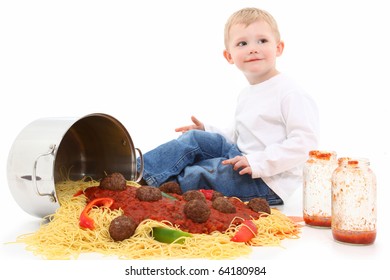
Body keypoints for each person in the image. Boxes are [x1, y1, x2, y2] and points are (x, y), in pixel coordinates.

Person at [137, 7, 319, 205]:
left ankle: (149, 191)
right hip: (243, 158)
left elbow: (305, 145)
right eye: (242, 43)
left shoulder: (290, 93)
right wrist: (206, 130)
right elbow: (240, 133)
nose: (253, 48)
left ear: (278, 48)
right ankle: (136, 172)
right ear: (229, 56)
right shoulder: (247, 93)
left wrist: (257, 162)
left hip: (266, 180)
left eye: (262, 41)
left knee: (199, 173)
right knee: (194, 139)